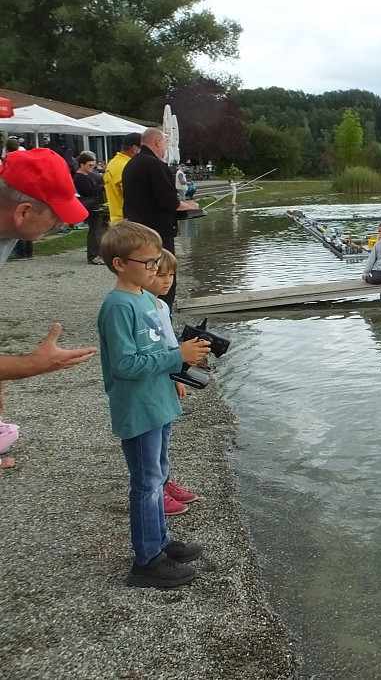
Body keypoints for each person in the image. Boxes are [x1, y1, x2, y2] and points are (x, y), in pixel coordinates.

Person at [97, 221, 211, 588]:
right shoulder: (118, 307)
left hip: (159, 399)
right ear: (119, 264)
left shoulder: (148, 299)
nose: (154, 268)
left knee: (159, 474)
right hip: (139, 406)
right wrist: (177, 356)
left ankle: (160, 541)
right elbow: (125, 365)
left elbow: (160, 349)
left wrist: (178, 370)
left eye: (157, 260)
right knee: (146, 483)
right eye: (148, 262)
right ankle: (146, 560)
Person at [0, 149, 97, 462]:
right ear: (23, 212)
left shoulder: (10, 229)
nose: (60, 224)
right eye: (54, 217)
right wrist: (35, 364)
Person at [147, 249, 200, 515]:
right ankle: (155, 487)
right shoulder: (142, 310)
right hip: (150, 384)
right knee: (153, 440)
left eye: (171, 275)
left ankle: (164, 480)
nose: (167, 281)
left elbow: (170, 345)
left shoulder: (162, 305)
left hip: (166, 375)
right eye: (160, 274)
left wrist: (177, 376)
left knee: (165, 435)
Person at [121, 128, 198, 307]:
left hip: (136, 230)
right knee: (162, 278)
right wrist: (190, 205)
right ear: (157, 142)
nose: (165, 147)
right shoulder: (156, 165)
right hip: (157, 233)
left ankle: (144, 315)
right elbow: (169, 201)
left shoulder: (131, 164)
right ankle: (163, 321)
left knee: (143, 276)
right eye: (164, 143)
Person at [74, 151, 108, 265]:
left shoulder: (90, 175)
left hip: (96, 204)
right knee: (95, 230)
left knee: (101, 229)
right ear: (82, 165)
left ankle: (100, 253)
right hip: (90, 205)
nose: (91, 168)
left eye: (93, 166)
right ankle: (93, 255)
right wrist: (103, 186)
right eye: (89, 165)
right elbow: (88, 192)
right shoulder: (79, 178)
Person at [103, 134, 141, 226]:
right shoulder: (127, 166)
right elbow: (133, 195)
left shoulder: (112, 163)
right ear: (135, 148)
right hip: (127, 220)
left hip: (115, 217)